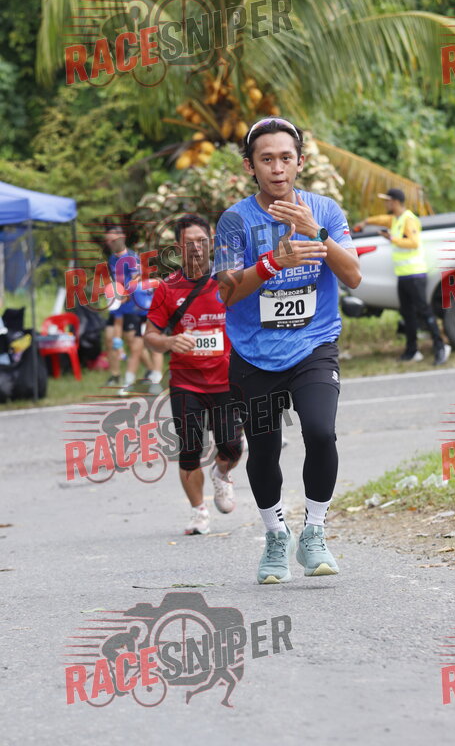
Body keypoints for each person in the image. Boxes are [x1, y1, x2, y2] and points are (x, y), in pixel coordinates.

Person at [214, 117, 361, 584]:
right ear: (250, 166)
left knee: (320, 432)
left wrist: (317, 234)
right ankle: (276, 536)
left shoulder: (325, 210)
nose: (277, 168)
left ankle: (314, 532)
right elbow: (226, 293)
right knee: (264, 450)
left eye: (285, 158)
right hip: (254, 354)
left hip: (314, 344)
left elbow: (354, 276)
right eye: (266, 159)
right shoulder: (235, 220)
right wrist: (273, 262)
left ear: (300, 162)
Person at [144, 214, 243, 536]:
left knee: (232, 446)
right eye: (189, 243)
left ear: (211, 242)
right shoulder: (167, 288)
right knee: (189, 449)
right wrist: (170, 342)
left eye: (202, 241)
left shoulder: (229, 280)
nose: (197, 248)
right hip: (186, 382)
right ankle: (198, 511)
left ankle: (221, 472)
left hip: (227, 380)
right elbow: (150, 336)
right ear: (178, 247)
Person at [360, 188, 451, 366]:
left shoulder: (409, 219)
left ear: (395, 201)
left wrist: (391, 239)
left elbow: (414, 242)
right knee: (407, 314)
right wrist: (366, 222)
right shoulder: (395, 219)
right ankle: (412, 350)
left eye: (387, 200)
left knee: (424, 311)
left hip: (415, 274)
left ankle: (441, 346)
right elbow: (381, 219)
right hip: (403, 275)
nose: (386, 204)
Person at [103, 225, 163, 394]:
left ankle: (156, 381)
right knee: (135, 348)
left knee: (153, 347)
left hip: (149, 312)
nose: (109, 243)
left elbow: (151, 283)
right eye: (107, 241)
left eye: (112, 240)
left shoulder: (133, 263)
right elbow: (117, 319)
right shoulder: (112, 261)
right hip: (134, 311)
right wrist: (117, 341)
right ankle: (128, 383)